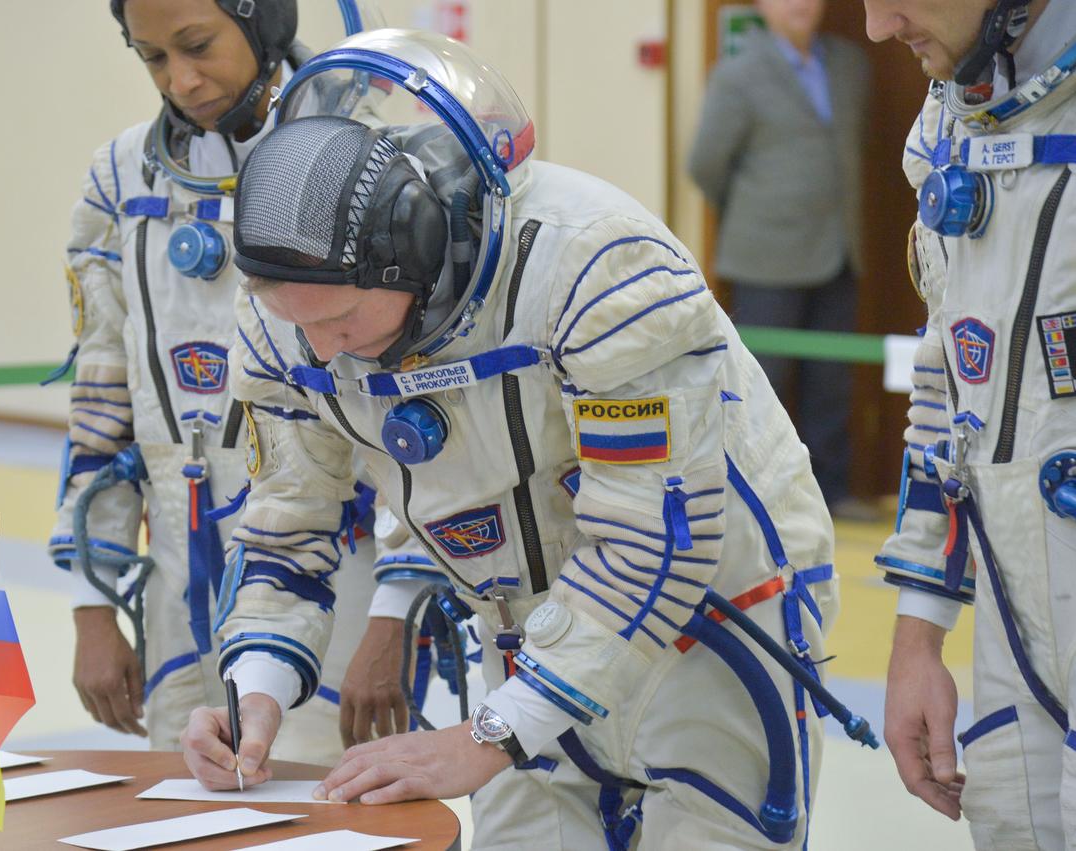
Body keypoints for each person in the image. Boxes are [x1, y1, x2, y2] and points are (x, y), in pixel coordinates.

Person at [177, 30, 865, 850]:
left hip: (709, 621)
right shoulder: (286, 313)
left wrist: (490, 734)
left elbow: (653, 540)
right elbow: (288, 521)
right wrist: (254, 689)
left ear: (413, 255)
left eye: (342, 320)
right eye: (299, 325)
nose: (320, 352)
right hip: (521, 632)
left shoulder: (596, 265)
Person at [46, 0, 437, 755]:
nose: (181, 80)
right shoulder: (119, 178)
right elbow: (100, 397)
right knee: (186, 783)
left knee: (318, 787)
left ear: (264, 23)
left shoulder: (367, 160)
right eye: (152, 57)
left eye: (197, 45)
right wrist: (91, 604)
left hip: (337, 556)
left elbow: (422, 409)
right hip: (180, 559)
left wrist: (395, 608)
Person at [866, 0, 1076, 846]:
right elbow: (945, 386)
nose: (877, 25)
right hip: (1016, 644)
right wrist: (918, 633)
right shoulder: (948, 125)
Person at [688, 0, 874, 521]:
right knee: (759, 384)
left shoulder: (850, 63)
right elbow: (705, 165)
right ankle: (758, 503)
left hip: (840, 249)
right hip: (765, 255)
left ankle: (831, 494)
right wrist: (760, 210)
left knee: (831, 382)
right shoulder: (738, 73)